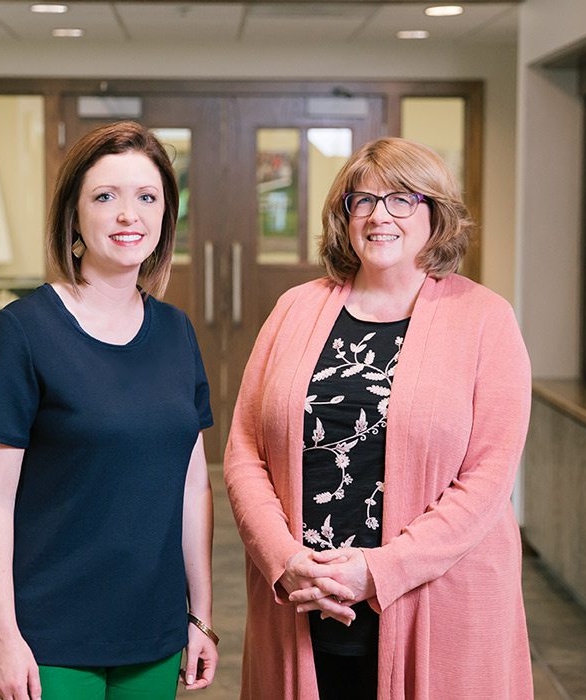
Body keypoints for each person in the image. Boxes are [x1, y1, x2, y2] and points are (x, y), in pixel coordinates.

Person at [224, 137, 533, 699]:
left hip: (434, 599)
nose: (378, 216)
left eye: (401, 200)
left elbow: (487, 480)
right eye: (361, 201)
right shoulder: (295, 308)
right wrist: (285, 560)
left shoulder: (485, 319)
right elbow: (245, 451)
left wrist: (378, 570)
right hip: (305, 596)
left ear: (435, 213)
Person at [0, 121, 218, 700]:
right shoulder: (23, 332)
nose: (129, 214)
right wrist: (5, 635)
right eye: (106, 197)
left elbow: (192, 486)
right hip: (50, 631)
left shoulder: (176, 333)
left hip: (152, 628)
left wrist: (199, 614)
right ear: (74, 217)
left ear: (164, 217)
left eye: (147, 197)